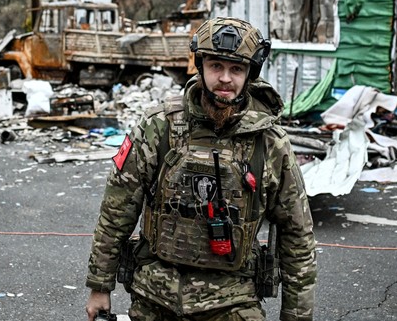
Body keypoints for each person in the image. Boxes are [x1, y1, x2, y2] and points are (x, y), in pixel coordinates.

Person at [85, 17, 317, 320]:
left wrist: (297, 316)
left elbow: (296, 235)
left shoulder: (270, 143)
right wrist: (99, 286)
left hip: (233, 303)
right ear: (200, 65)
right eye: (216, 66)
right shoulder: (159, 125)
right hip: (154, 297)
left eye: (236, 69)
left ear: (250, 73)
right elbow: (117, 210)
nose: (225, 79)